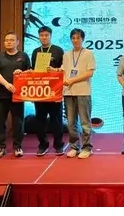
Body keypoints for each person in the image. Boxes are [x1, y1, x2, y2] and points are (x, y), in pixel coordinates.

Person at [0, 31, 31, 158]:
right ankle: (0, 147)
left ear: (17, 42)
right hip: (0, 95)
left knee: (18, 122)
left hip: (17, 95)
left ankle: (17, 146)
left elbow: (30, 71)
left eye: (12, 40)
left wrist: (22, 73)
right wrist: (6, 84)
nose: (9, 42)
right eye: (7, 40)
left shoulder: (23, 56)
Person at [30, 26, 65, 156]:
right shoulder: (35, 52)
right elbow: (33, 70)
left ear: (50, 36)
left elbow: (63, 69)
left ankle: (58, 145)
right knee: (40, 119)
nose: (44, 38)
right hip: (40, 90)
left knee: (56, 119)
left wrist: (54, 70)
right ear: (39, 36)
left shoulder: (58, 50)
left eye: (46, 35)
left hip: (54, 90)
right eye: (41, 35)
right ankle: (43, 145)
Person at [61, 28, 96, 159]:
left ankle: (87, 148)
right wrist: (56, 72)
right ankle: (74, 147)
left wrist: (72, 80)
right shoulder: (66, 54)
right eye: (73, 38)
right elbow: (63, 71)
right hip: (68, 92)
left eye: (78, 38)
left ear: (82, 39)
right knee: (71, 122)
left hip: (83, 91)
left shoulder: (88, 53)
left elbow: (89, 73)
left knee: (85, 122)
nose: (75, 40)